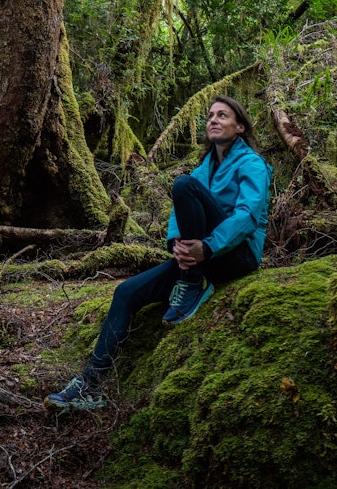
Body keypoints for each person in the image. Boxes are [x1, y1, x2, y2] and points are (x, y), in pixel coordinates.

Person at [44, 95, 272, 412]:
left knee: (183, 185)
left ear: (240, 126)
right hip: (201, 257)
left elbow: (247, 216)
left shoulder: (252, 164)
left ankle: (193, 284)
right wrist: (177, 245)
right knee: (125, 292)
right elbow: (181, 215)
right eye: (210, 115)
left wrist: (207, 247)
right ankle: (90, 385)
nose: (213, 120)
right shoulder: (204, 168)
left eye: (223, 115)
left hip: (237, 256)